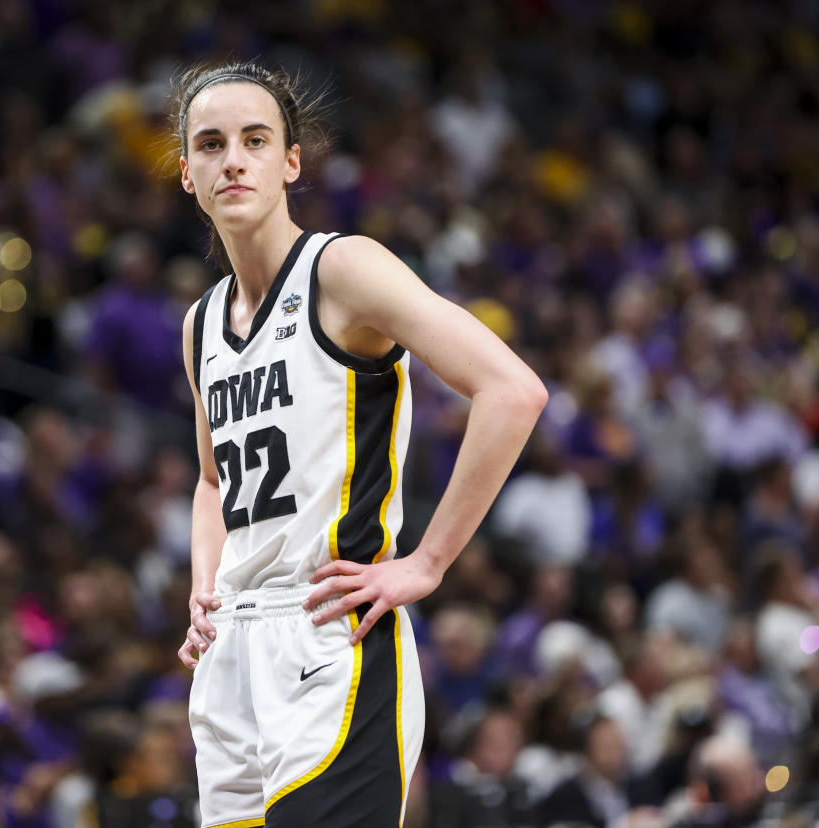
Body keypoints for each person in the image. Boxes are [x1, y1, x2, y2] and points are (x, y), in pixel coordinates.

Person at [172, 61, 547, 827]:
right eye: (211, 145)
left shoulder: (342, 269)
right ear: (187, 174)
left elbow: (513, 391)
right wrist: (202, 587)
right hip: (233, 657)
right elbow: (214, 484)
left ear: (292, 161)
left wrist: (428, 562)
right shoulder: (201, 324)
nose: (233, 159)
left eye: (255, 139)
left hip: (331, 636)